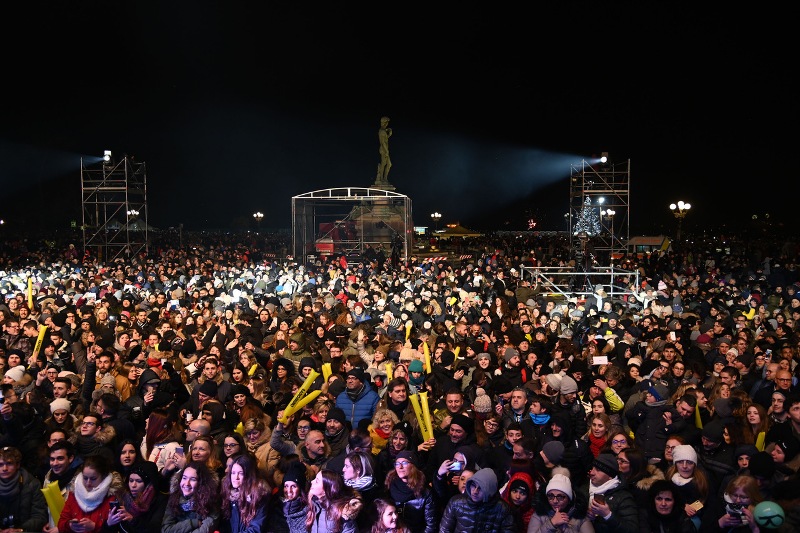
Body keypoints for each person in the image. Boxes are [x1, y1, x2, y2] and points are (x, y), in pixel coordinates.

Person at [55, 454, 124, 533]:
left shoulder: (113, 498)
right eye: (85, 478)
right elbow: (61, 523)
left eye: (93, 478)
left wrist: (95, 526)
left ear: (104, 477)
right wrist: (70, 525)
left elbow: (117, 528)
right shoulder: (74, 494)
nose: (88, 483)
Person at [439, 467, 515, 533]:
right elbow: (444, 530)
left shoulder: (502, 509)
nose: (475, 491)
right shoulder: (456, 502)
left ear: (490, 491)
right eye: (473, 485)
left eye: (480, 488)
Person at [105, 460, 166, 533]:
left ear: (148, 483)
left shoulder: (160, 500)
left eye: (139, 481)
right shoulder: (122, 497)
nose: (133, 485)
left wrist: (133, 520)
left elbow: (155, 529)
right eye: (131, 480)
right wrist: (109, 524)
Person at [384, 451, 437, 533]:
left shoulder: (425, 491)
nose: (400, 467)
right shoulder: (389, 486)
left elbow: (430, 525)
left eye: (404, 463)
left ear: (413, 466)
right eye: (397, 463)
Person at [526, 469, 592, 533]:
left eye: (560, 497)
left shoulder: (580, 517)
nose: (555, 501)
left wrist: (564, 527)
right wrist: (552, 524)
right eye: (551, 496)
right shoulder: (540, 514)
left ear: (569, 499)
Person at [0, 445, 48, 532]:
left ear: (17, 465)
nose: (4, 468)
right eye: (0, 464)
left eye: (9, 463)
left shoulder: (32, 484)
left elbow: (39, 516)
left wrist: (21, 529)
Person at [162, 461, 220, 533]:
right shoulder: (174, 498)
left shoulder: (210, 501)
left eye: (193, 479)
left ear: (201, 483)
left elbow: (205, 530)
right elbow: (166, 529)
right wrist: (193, 523)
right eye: (184, 478)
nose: (187, 483)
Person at [220, 453, 270, 533]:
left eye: (241, 473)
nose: (236, 477)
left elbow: (256, 528)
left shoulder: (258, 495)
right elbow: (224, 523)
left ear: (248, 475)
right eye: (233, 473)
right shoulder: (229, 494)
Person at [306, 469, 362, 533]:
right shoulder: (315, 505)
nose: (312, 481)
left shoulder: (343, 513)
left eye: (317, 481)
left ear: (327, 489)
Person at [375, 116, 392, 184]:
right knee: (384, 163)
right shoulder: (381, 131)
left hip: (385, 149)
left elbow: (385, 139)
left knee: (388, 164)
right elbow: (382, 142)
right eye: (387, 122)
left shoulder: (383, 131)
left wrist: (389, 134)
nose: (387, 124)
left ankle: (384, 178)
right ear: (385, 123)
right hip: (383, 149)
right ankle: (382, 178)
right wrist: (386, 151)